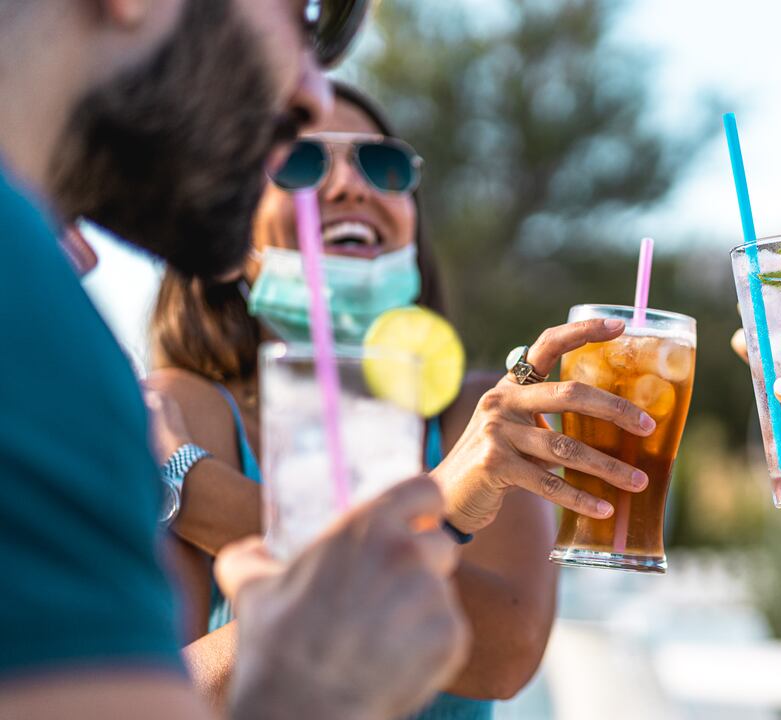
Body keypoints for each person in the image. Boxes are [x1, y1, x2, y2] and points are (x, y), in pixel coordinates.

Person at [0, 2, 473, 718]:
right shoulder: (34, 318)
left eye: (378, 163)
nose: (313, 92)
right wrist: (304, 688)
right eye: (298, 13)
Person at [145, 82, 583, 716]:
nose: (352, 186)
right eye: (300, 163)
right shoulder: (184, 407)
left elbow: (504, 654)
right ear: (227, 233)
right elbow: (148, 691)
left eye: (383, 165)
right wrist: (438, 521)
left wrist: (200, 491)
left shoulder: (479, 413)